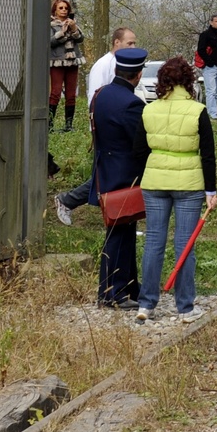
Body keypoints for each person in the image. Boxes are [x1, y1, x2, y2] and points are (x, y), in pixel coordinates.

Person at [135, 56, 217, 323]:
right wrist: (211, 190)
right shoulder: (198, 111)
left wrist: (146, 176)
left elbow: (139, 151)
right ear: (189, 81)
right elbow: (208, 154)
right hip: (189, 185)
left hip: (154, 183)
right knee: (185, 245)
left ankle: (146, 304)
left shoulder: (149, 110)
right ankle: (185, 308)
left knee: (153, 243)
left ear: (162, 81)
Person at [54, 26, 137, 226]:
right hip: (108, 130)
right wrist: (98, 129)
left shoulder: (123, 64)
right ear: (117, 42)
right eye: (130, 43)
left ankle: (118, 215)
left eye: (134, 43)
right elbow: (96, 100)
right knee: (106, 175)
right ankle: (68, 200)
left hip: (120, 127)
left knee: (110, 174)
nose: (133, 47)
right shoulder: (103, 65)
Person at [89, 47, 150, 309]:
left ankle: (129, 286)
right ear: (138, 74)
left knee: (123, 231)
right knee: (119, 234)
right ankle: (111, 293)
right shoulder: (132, 104)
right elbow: (141, 143)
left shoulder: (101, 94)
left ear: (117, 70)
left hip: (105, 171)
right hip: (125, 175)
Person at [49, 0, 87, 131]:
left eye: (66, 8)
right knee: (55, 92)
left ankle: (69, 125)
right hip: (57, 62)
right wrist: (62, 33)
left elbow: (80, 39)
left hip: (72, 62)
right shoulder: (51, 25)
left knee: (71, 94)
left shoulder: (73, 23)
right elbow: (50, 42)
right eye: (61, 8)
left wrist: (74, 28)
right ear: (55, 10)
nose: (64, 10)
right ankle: (49, 125)